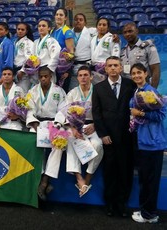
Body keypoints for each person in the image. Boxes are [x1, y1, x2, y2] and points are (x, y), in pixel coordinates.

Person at [92, 56, 135, 217]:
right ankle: (110, 204)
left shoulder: (130, 85)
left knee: (125, 171)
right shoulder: (99, 87)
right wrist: (102, 134)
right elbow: (96, 113)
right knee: (110, 171)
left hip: (126, 136)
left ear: (121, 67)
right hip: (108, 137)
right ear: (105, 68)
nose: (113, 68)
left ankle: (122, 204)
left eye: (116, 65)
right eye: (110, 65)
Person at [53, 66, 103, 197]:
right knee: (70, 139)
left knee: (98, 144)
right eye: (80, 75)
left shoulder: (98, 91)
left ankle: (88, 177)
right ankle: (78, 177)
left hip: (92, 126)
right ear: (77, 78)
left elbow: (103, 112)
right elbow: (65, 112)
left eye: (86, 75)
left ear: (91, 76)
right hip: (75, 126)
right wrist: (73, 128)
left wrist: (95, 125)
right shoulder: (72, 93)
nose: (83, 78)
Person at [129, 63, 166, 223]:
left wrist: (141, 113)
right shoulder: (138, 91)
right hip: (143, 141)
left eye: (139, 73)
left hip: (152, 143)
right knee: (145, 179)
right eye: (134, 73)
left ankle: (149, 215)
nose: (136, 76)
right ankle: (146, 211)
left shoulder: (151, 92)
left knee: (150, 180)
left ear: (146, 74)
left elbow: (160, 116)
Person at [26, 66, 66, 200]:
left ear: (51, 77)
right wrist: (35, 124)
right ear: (38, 77)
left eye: (46, 76)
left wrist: (57, 124)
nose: (43, 78)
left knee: (60, 144)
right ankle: (41, 179)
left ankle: (45, 179)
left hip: (54, 124)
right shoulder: (32, 91)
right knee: (32, 140)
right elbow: (29, 109)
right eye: (41, 76)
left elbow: (63, 110)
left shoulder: (59, 91)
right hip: (37, 123)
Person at [121, 22, 161, 88]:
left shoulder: (148, 47)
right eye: (125, 32)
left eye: (130, 31)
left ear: (137, 31)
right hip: (126, 88)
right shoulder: (122, 51)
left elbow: (156, 70)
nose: (127, 34)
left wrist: (153, 91)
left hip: (143, 87)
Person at [20, 19, 60, 85]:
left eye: (43, 26)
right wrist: (24, 69)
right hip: (37, 72)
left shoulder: (52, 41)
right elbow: (31, 57)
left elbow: (55, 56)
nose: (41, 28)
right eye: (39, 26)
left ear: (49, 28)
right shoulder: (35, 42)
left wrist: (49, 69)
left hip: (47, 70)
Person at [70, 13, 97, 90]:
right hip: (73, 66)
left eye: (81, 20)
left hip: (86, 65)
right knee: (74, 90)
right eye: (76, 20)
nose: (78, 21)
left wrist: (113, 36)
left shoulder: (92, 32)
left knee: (87, 89)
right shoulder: (68, 33)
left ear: (85, 23)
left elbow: (104, 32)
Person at [50, 8, 75, 93]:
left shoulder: (67, 31)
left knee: (62, 93)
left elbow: (71, 53)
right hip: (53, 67)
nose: (58, 16)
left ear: (65, 18)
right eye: (57, 14)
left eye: (61, 15)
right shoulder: (52, 31)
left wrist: (67, 70)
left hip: (63, 69)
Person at [14, 22, 34, 93]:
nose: (20, 31)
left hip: (23, 73)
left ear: (26, 31)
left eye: (22, 30)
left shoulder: (28, 43)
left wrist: (22, 71)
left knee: (23, 93)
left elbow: (29, 59)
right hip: (16, 71)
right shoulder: (16, 42)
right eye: (18, 29)